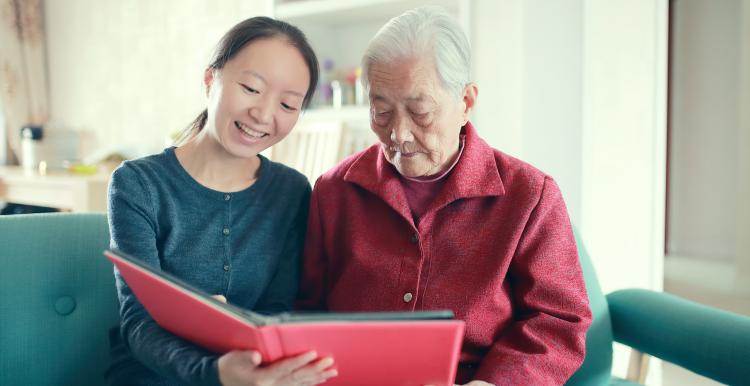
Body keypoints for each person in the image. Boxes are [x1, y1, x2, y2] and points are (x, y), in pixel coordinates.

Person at [297, 6, 592, 386]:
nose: (398, 135)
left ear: (466, 102)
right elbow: (306, 310)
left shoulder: (530, 196)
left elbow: (559, 321)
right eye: (381, 111)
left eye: (420, 113)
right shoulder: (334, 191)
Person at [106, 17, 337, 386]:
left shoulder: (292, 192)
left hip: (256, 374)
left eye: (288, 105)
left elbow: (277, 311)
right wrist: (214, 373)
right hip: (152, 374)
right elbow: (139, 322)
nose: (263, 115)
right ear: (211, 79)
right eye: (250, 88)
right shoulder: (137, 184)